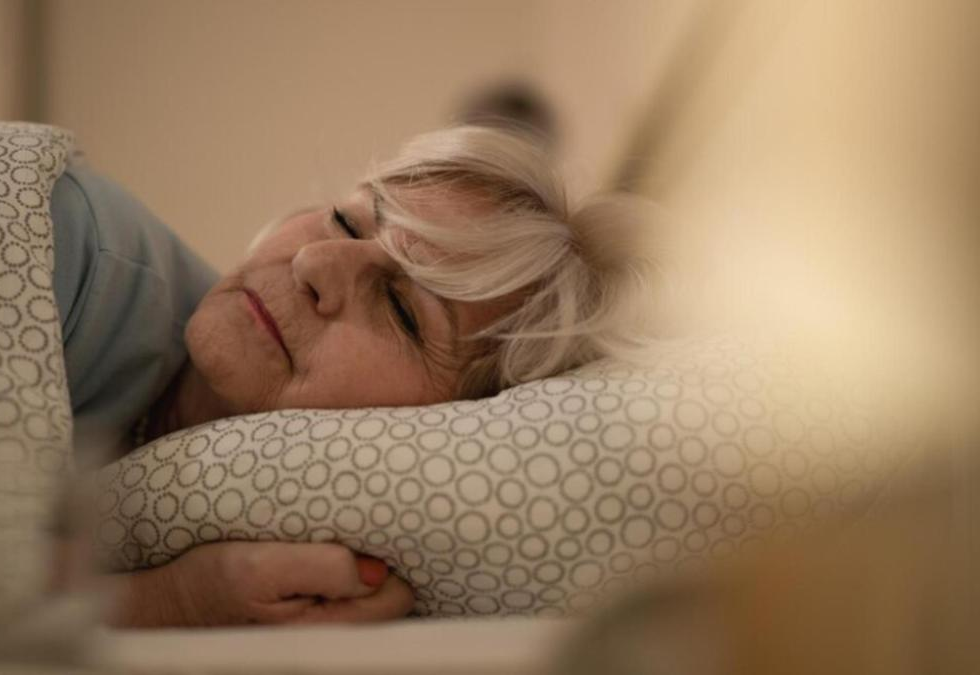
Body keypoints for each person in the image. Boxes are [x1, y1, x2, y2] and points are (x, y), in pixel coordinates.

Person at [50, 125, 660, 627]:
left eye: (402, 310)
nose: (314, 261)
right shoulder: (68, 244)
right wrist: (172, 601)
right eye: (345, 222)